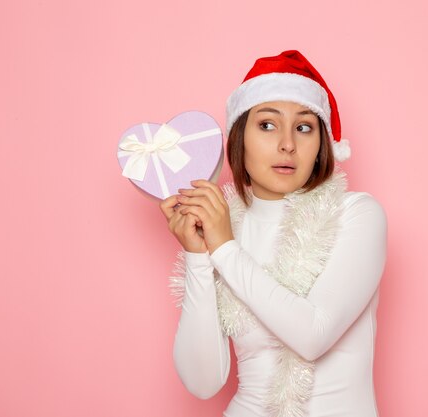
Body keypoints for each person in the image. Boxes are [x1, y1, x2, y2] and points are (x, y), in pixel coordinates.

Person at [160, 50, 387, 417]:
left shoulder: (355, 214)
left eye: (303, 127)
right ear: (240, 138)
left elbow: (312, 335)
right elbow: (203, 383)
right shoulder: (222, 229)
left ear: (321, 144)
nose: (287, 144)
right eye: (267, 125)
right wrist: (198, 257)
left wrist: (224, 248)